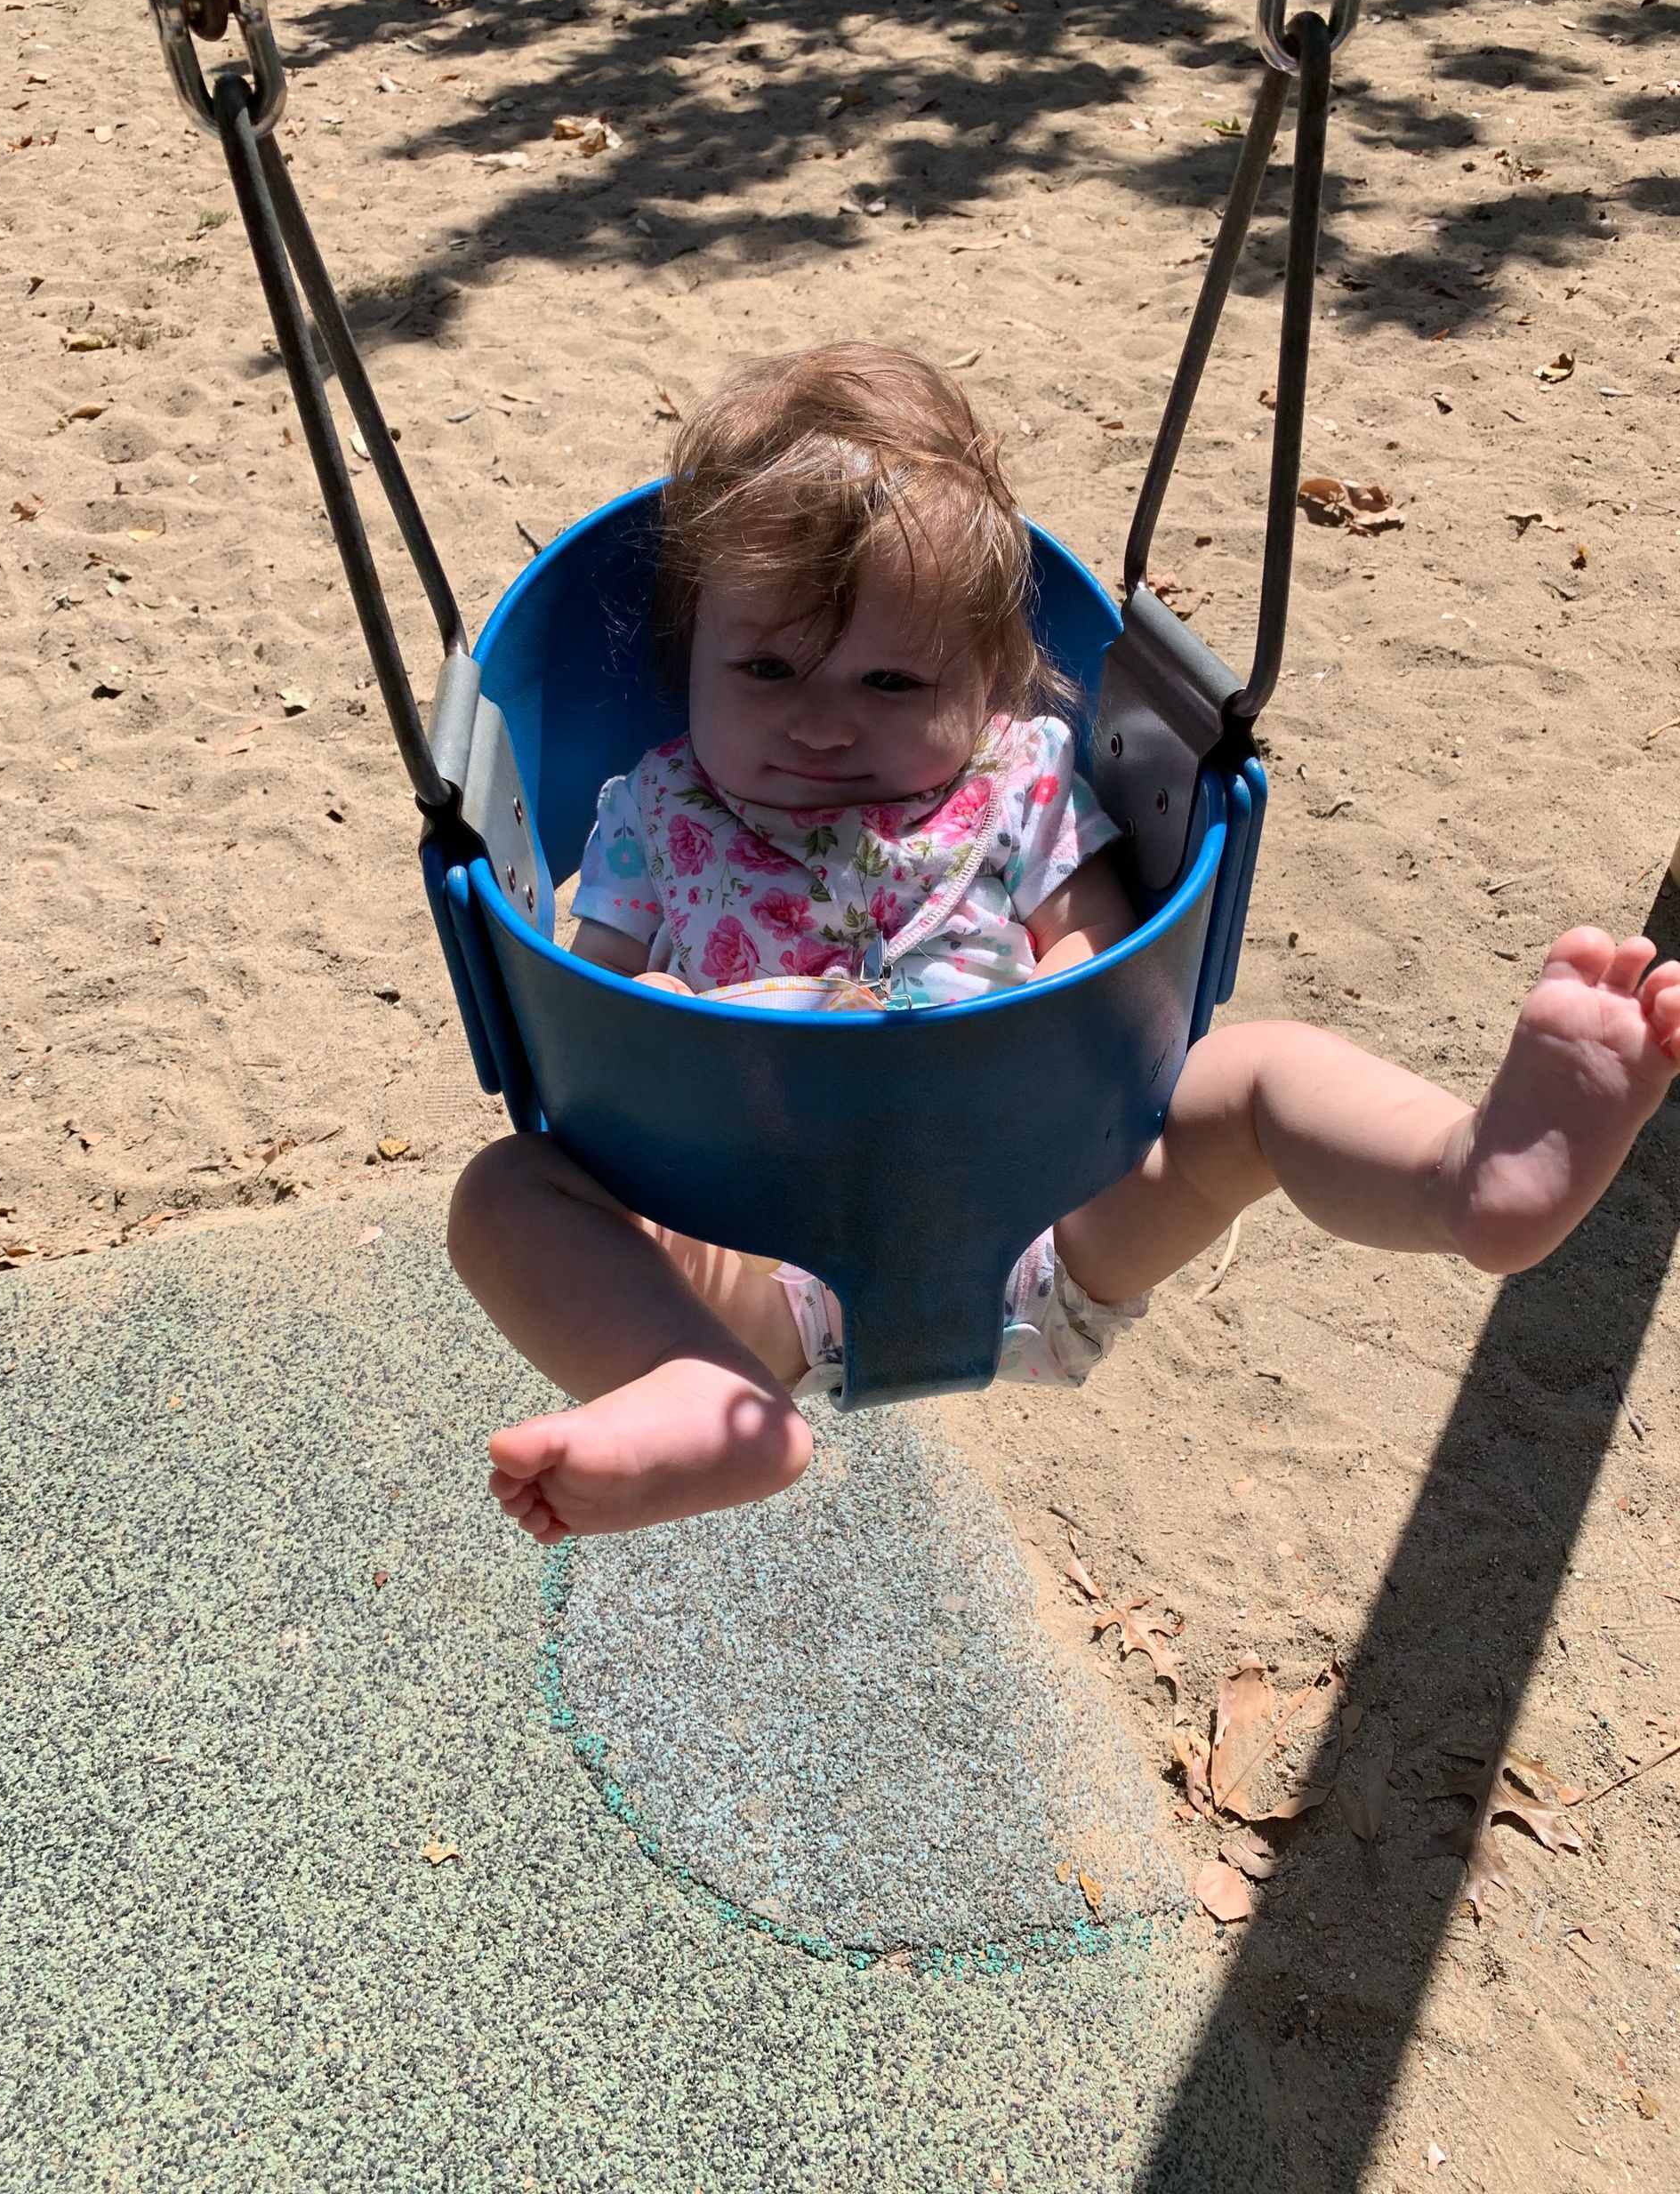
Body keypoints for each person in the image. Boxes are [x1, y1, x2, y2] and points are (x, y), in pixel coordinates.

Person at [447, 343, 1680, 1548]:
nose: (821, 723)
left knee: (1252, 1079)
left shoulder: (1021, 780)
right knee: (505, 1194)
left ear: (988, 678)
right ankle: (690, 1395)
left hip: (1039, 1205)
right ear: (688, 659)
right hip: (747, 1256)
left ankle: (1465, 1174)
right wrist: (649, 1009)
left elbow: (1092, 955)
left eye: (888, 683)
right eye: (767, 667)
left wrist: (1048, 1004)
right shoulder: (655, 809)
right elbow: (584, 1022)